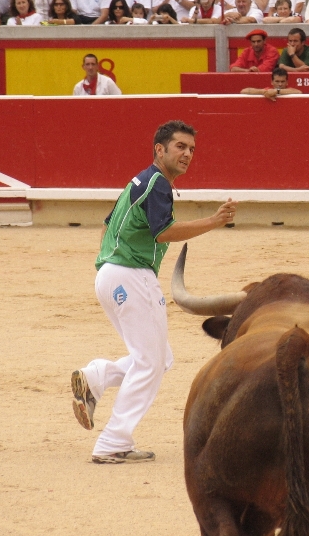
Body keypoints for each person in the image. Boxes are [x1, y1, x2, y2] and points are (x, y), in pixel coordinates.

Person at [70, 120, 237, 464]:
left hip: (111, 275)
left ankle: (95, 377)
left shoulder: (140, 181)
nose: (187, 154)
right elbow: (164, 232)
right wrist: (213, 221)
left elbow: (106, 224)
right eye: (180, 146)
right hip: (132, 276)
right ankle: (113, 441)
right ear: (159, 149)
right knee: (150, 361)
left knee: (159, 357)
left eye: (191, 149)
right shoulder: (157, 183)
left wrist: (113, 265)